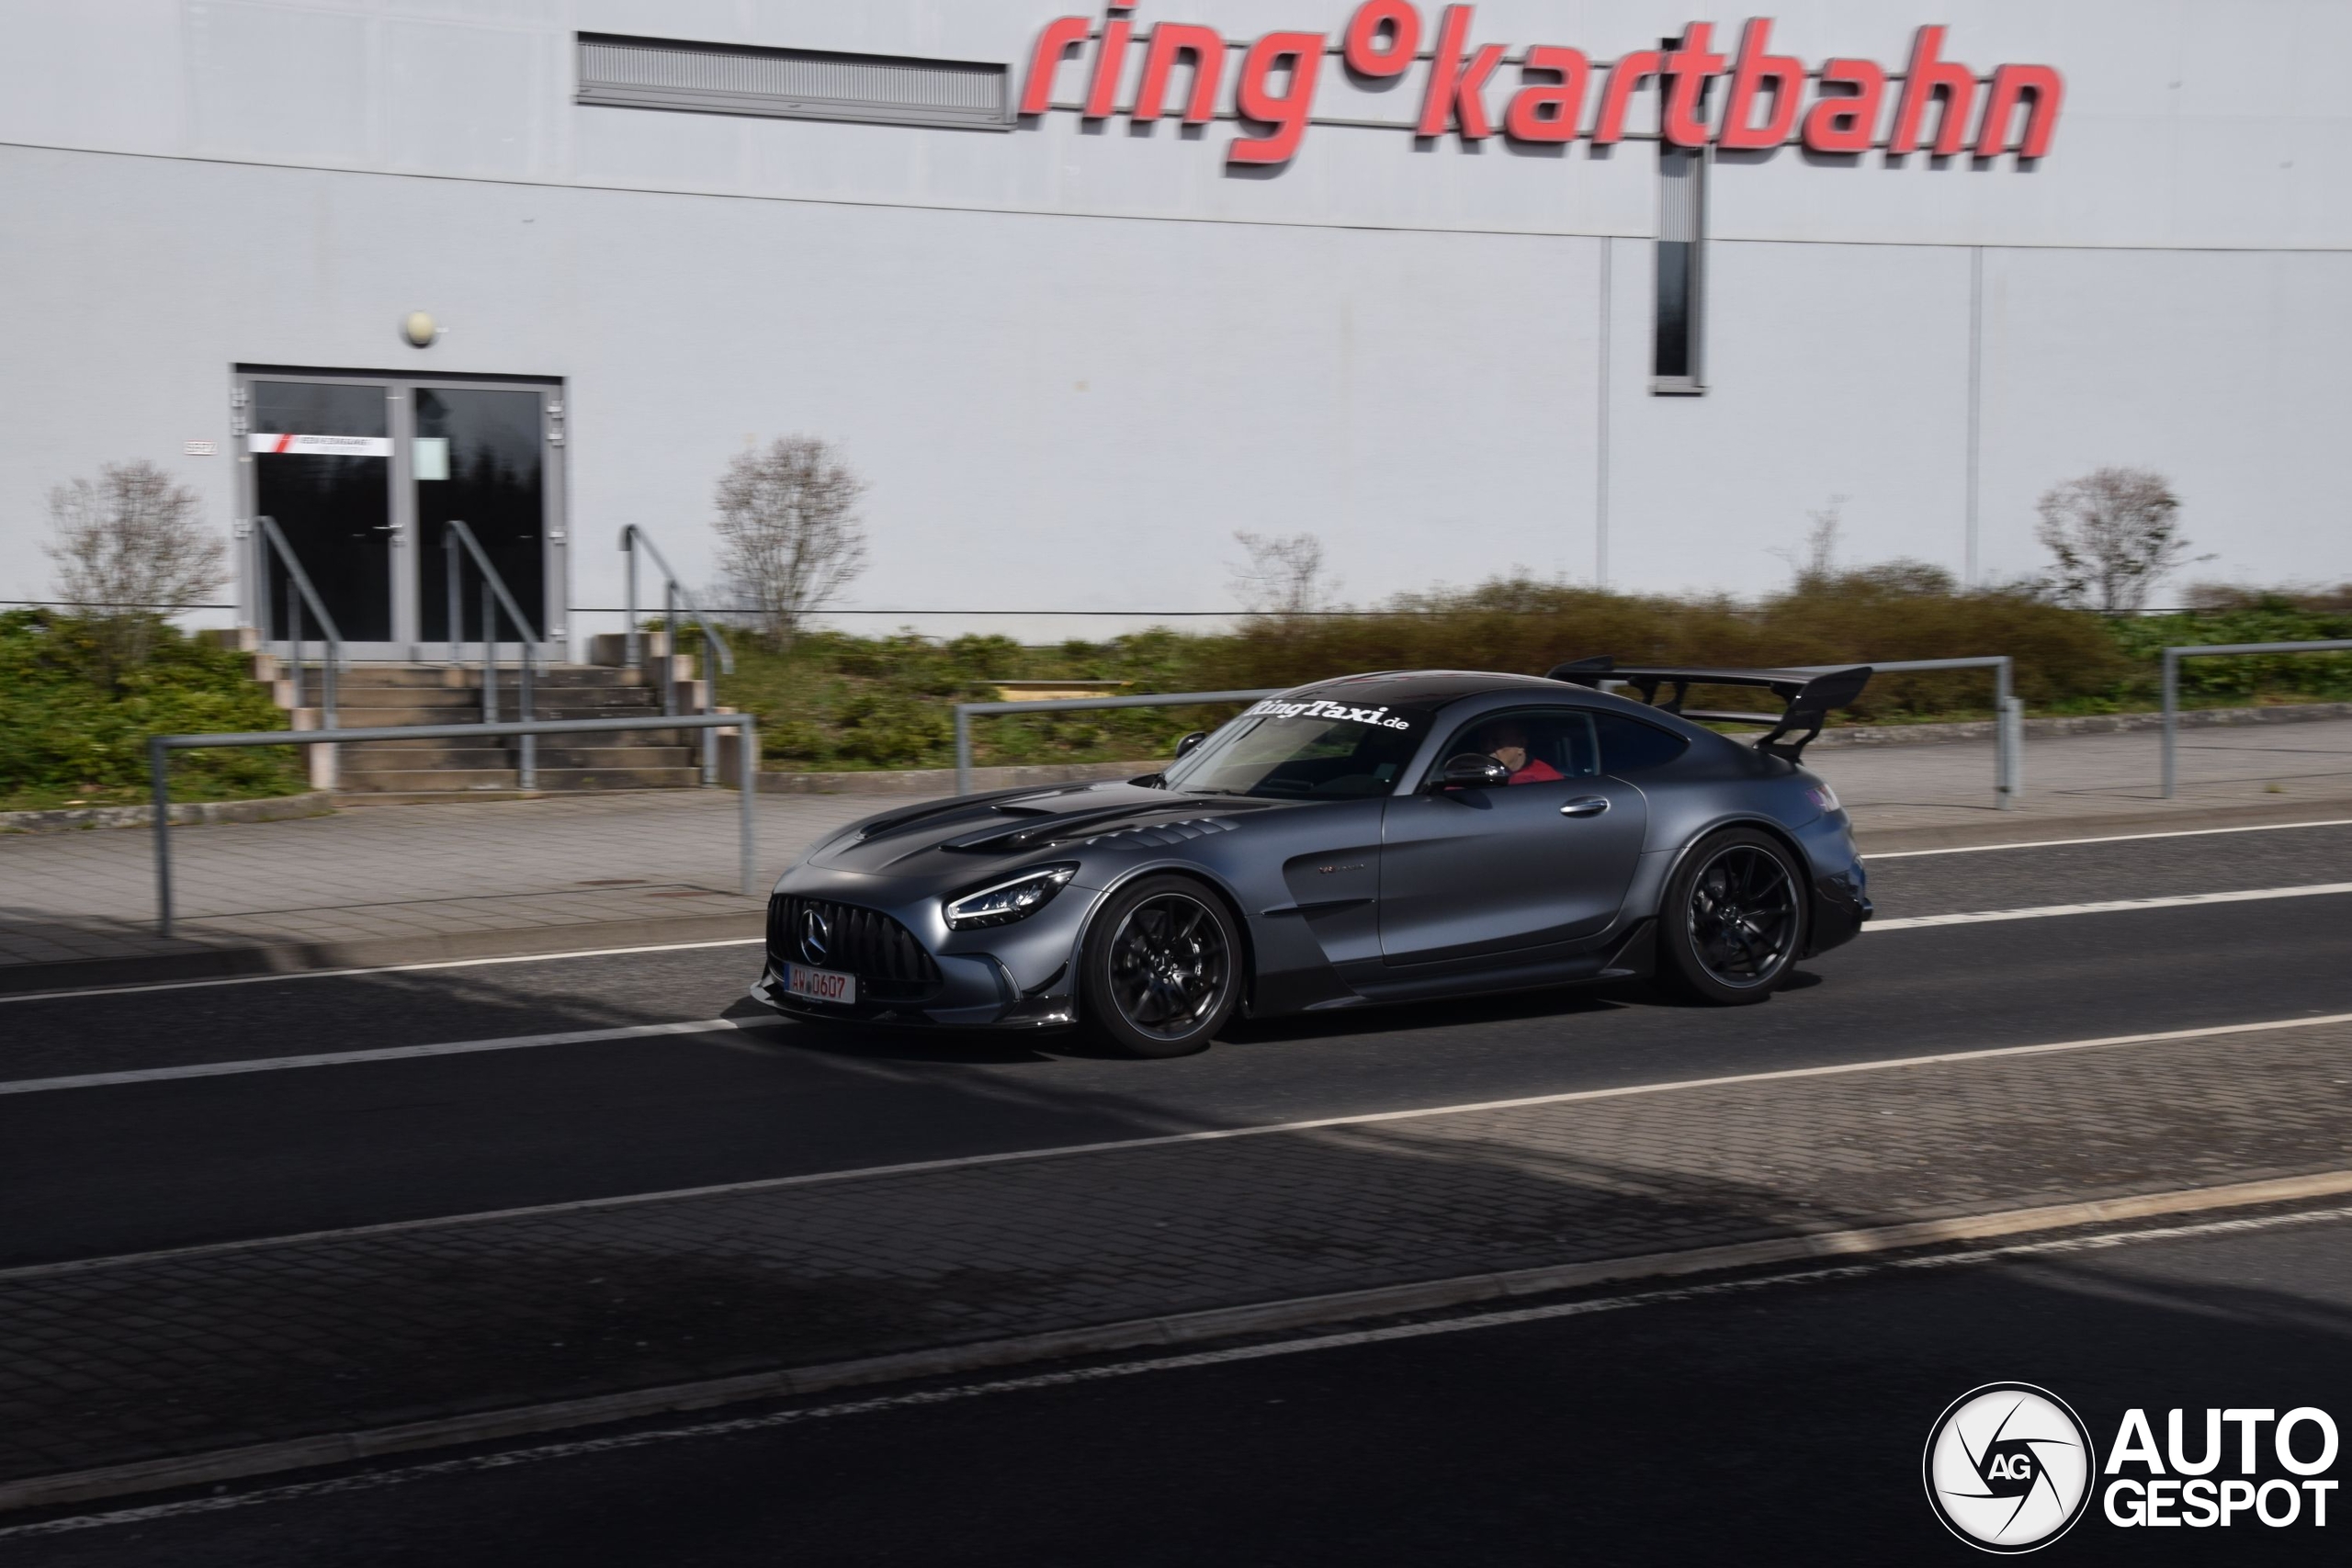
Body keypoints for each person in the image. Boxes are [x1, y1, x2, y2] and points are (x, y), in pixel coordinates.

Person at [1476, 720, 1563, 784]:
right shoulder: (1476, 774)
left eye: (1497, 742)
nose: (1487, 747)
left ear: (1521, 745)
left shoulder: (1546, 779)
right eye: (1483, 741)